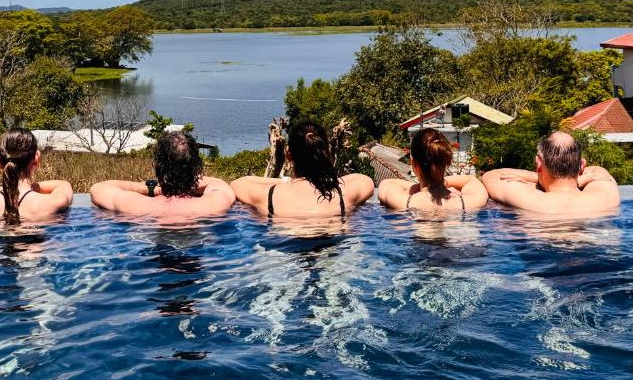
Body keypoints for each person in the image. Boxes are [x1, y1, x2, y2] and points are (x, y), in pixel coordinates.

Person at [230, 120, 374, 219]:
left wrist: (286, 182)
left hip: (280, 257)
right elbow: (365, 181)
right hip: (336, 257)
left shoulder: (268, 196)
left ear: (288, 154)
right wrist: (324, 178)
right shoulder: (343, 193)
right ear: (326, 152)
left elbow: (238, 183)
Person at [90, 130, 235, 218]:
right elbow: (219, 183)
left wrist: (151, 188)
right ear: (197, 168)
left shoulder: (137, 205)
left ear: (158, 169)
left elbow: (98, 188)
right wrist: (190, 182)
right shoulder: (214, 203)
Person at [481, 130, 620, 215]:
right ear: (582, 166)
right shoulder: (605, 195)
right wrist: (581, 178)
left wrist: (538, 178)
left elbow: (491, 176)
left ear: (539, 163)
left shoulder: (530, 200)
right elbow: (597, 170)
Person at [0, 129, 73, 224]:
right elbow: (63, 184)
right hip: (34, 244)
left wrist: (9, 187)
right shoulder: (54, 202)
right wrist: (30, 187)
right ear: (36, 158)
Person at [378, 128, 488, 213]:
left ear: (414, 164)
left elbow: (386, 183)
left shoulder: (403, 202)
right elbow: (471, 180)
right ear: (446, 162)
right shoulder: (469, 202)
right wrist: (443, 182)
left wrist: (418, 185)